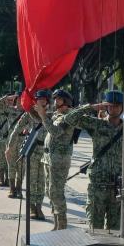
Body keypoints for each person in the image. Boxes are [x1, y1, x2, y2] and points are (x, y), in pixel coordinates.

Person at [62, 90, 124, 231]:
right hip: (98, 185)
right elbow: (69, 119)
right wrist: (92, 107)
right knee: (95, 230)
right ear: (105, 107)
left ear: (122, 107)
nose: (113, 108)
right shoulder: (97, 125)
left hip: (118, 186)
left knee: (116, 231)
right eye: (110, 105)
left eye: (117, 105)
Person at [37, 89, 77, 230]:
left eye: (58, 99)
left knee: (56, 192)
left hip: (59, 160)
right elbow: (38, 117)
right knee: (50, 191)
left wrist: (43, 116)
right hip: (49, 158)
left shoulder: (68, 117)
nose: (55, 102)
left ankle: (62, 225)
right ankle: (56, 224)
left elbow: (56, 132)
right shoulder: (56, 115)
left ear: (66, 101)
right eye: (54, 99)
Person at [6, 90, 48, 219]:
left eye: (43, 99)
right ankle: (31, 208)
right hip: (32, 149)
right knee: (31, 180)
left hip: (45, 152)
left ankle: (39, 207)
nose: (41, 101)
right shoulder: (29, 114)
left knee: (41, 181)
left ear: (47, 101)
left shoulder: (51, 113)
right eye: (38, 99)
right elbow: (16, 129)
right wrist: (9, 147)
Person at [0, 93, 22, 188]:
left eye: (12, 100)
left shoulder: (16, 111)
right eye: (9, 100)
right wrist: (6, 97)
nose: (10, 102)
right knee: (1, 160)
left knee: (11, 162)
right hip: (2, 139)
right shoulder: (0, 109)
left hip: (13, 140)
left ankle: (8, 180)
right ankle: (1, 179)